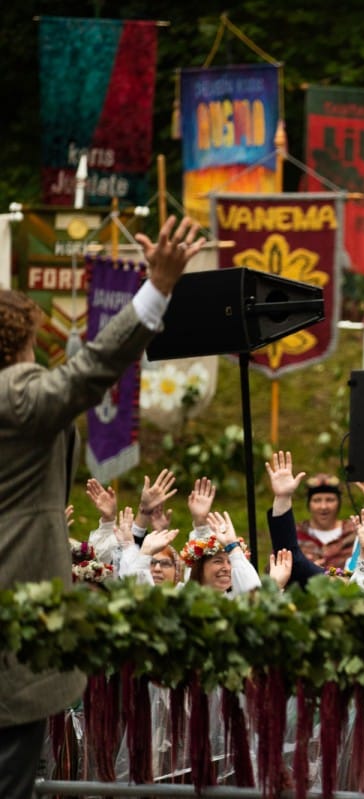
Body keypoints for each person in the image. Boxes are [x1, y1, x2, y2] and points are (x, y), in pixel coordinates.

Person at [0, 214, 204, 797]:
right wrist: (156, 289)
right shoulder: (14, 395)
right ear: (18, 342)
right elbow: (89, 372)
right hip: (13, 649)